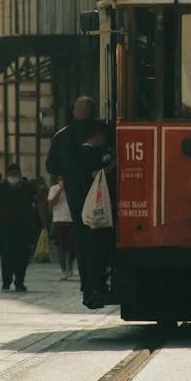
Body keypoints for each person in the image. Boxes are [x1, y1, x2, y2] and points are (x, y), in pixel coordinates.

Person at [46, 97, 98, 287]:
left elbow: (51, 165)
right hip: (101, 194)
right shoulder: (100, 131)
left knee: (82, 240)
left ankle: (87, 283)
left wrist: (67, 176)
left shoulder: (62, 136)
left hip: (75, 195)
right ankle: (97, 279)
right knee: (99, 238)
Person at [79, 124, 116, 308]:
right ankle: (96, 288)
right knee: (96, 251)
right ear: (98, 136)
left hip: (92, 207)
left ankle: (96, 288)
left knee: (95, 251)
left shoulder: (86, 152)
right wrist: (113, 166)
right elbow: (96, 174)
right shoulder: (89, 153)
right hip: (96, 207)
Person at [0, 164, 38, 292]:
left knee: (23, 256)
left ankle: (19, 281)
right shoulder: (2, 188)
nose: (14, 177)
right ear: (7, 175)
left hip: (24, 226)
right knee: (7, 255)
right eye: (11, 174)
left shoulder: (28, 187)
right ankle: (6, 281)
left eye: (15, 174)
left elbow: (37, 202)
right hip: (6, 226)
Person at [48, 175, 76, 280]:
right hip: (58, 221)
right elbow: (51, 202)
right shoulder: (54, 189)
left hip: (71, 221)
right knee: (60, 247)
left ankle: (70, 263)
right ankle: (64, 270)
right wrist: (60, 191)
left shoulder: (72, 188)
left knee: (73, 247)